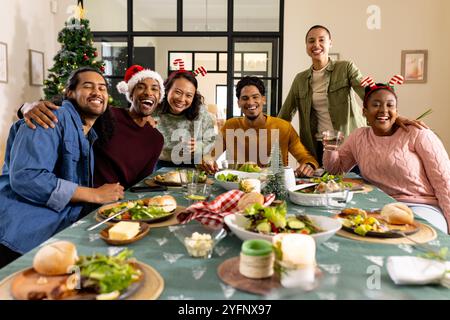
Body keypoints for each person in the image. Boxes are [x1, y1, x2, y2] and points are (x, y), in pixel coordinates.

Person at [0, 67, 125, 268]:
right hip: (20, 238)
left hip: (55, 234)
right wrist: (94, 194)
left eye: (102, 88)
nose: (97, 92)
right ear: (69, 92)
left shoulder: (88, 134)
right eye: (88, 86)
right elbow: (27, 177)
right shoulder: (49, 117)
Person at [278, 25, 426, 164]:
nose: (316, 44)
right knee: (322, 188)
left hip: (349, 143)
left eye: (321, 40)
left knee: (354, 185)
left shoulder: (345, 68)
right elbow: (284, 116)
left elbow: (370, 96)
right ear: (306, 46)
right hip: (317, 146)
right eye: (311, 41)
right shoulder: (300, 79)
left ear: (330, 43)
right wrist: (267, 136)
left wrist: (396, 118)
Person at [323, 76, 450, 234]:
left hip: (422, 207)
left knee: (412, 238)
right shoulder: (359, 137)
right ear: (365, 111)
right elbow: (335, 169)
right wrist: (330, 147)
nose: (383, 110)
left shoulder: (417, 133)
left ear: (396, 111)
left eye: (390, 105)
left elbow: (444, 181)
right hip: (379, 206)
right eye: (376, 105)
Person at [18, 65, 166, 189]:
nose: (148, 92)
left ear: (159, 97)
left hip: (117, 202)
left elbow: (140, 183)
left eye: (155, 89)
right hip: (82, 195)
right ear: (131, 93)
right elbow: (68, 110)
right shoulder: (107, 114)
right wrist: (26, 107)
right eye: (141, 87)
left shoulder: (156, 139)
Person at [201, 76, 319, 177]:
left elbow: (306, 157)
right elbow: (210, 155)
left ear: (263, 99)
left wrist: (309, 165)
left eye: (255, 97)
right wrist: (207, 161)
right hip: (237, 186)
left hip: (273, 188)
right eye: (245, 98)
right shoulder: (230, 125)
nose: (251, 102)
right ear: (238, 103)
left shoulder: (283, 127)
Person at [153, 70, 216, 168]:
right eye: (178, 92)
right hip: (159, 163)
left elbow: (212, 140)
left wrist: (198, 146)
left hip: (191, 164)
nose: (182, 99)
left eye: (189, 95)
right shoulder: (153, 111)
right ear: (166, 90)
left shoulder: (201, 113)